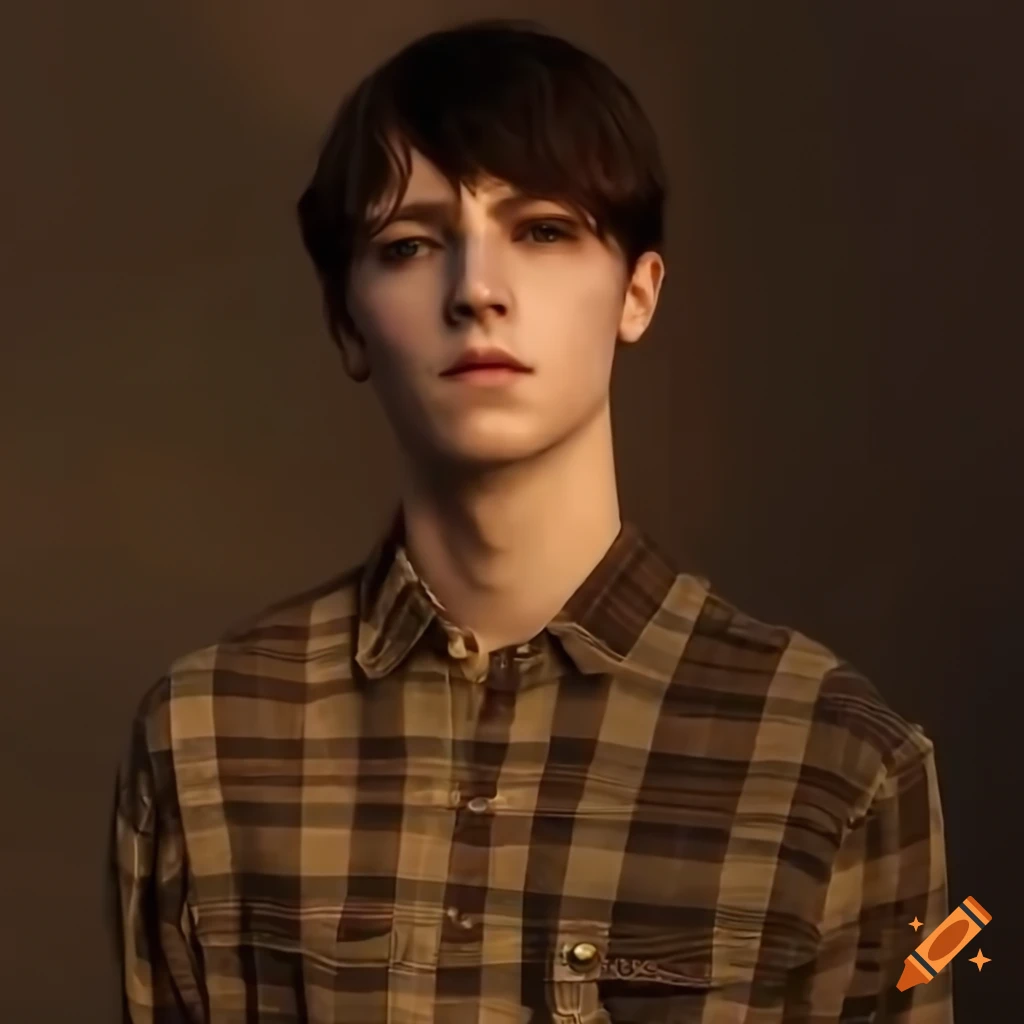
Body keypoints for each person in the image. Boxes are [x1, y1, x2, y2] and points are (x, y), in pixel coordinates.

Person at [110, 17, 953, 1023]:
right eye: (411, 243)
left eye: (544, 230)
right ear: (347, 322)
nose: (476, 291)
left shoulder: (841, 762)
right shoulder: (204, 736)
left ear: (636, 294)